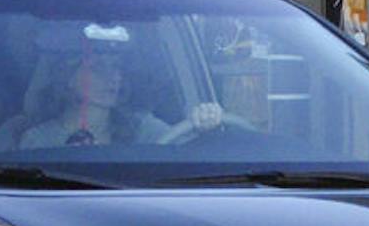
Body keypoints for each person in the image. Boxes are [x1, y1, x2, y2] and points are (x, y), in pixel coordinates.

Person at [18, 44, 222, 148]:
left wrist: (205, 124)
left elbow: (186, 152)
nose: (114, 77)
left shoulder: (142, 128)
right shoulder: (38, 140)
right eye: (98, 68)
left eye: (116, 67)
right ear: (67, 77)